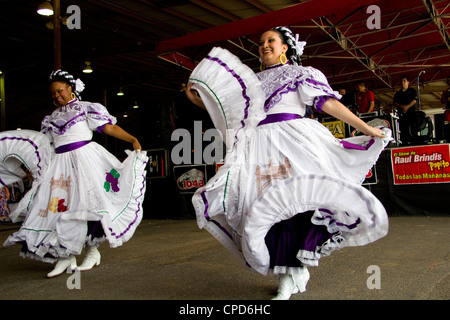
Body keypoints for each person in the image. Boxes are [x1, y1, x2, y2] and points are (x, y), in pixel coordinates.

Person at [186, 26, 390, 300]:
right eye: (261, 42)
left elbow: (327, 104)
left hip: (293, 142)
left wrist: (366, 128)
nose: (264, 45)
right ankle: (289, 272)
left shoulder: (300, 74)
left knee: (298, 206)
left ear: (285, 47)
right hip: (258, 148)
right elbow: (231, 116)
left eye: (271, 40)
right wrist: (200, 102)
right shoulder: (251, 82)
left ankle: (293, 271)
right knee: (261, 208)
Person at [1, 70, 148, 278]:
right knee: (56, 208)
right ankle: (65, 256)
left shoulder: (85, 108)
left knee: (89, 204)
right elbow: (47, 147)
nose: (56, 96)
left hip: (84, 161)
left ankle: (92, 251)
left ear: (70, 89)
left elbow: (107, 128)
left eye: (60, 91)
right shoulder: (50, 118)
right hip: (59, 165)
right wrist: (31, 170)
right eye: (53, 93)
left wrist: (132, 139)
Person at [393, 75, 417, 144]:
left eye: (404, 81)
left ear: (408, 82)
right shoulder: (398, 93)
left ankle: (414, 142)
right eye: (401, 81)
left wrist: (407, 107)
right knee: (403, 129)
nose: (403, 83)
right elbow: (395, 102)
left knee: (412, 129)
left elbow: (414, 100)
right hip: (401, 114)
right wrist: (401, 107)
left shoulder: (412, 91)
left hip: (411, 113)